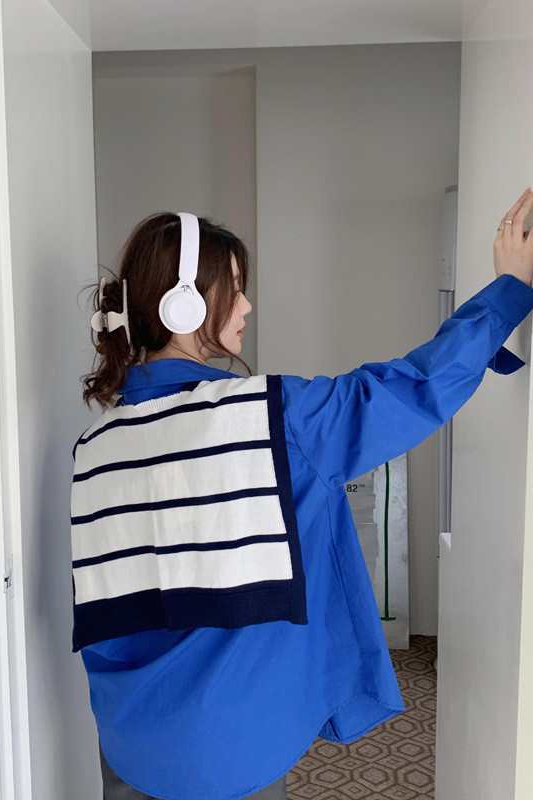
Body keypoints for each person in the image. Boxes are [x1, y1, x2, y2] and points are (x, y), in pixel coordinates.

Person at [72, 191, 533, 800]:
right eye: (235, 289)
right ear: (187, 303)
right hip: (231, 749)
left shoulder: (95, 444)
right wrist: (510, 289)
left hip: (128, 744)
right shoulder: (273, 418)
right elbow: (413, 387)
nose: (247, 305)